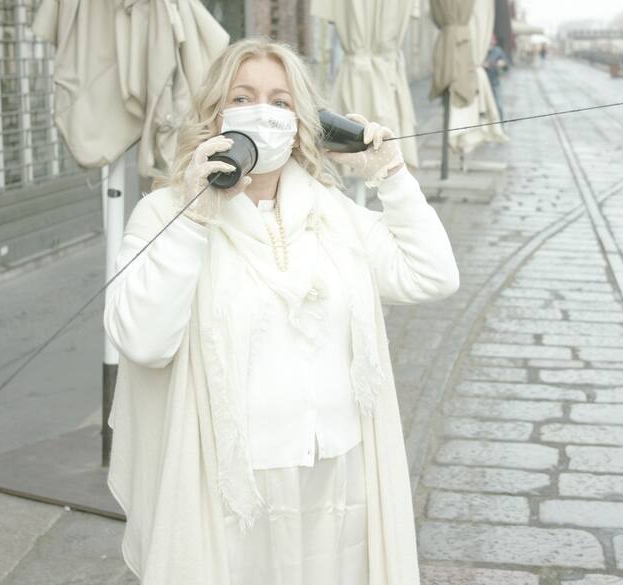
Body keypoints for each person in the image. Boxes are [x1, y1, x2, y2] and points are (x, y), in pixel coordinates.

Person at [102, 37, 459, 585]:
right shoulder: (165, 213)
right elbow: (144, 341)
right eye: (243, 96)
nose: (263, 112)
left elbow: (432, 273)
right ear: (215, 114)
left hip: (338, 486)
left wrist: (391, 175)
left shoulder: (332, 212)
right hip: (230, 495)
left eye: (281, 101)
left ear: (302, 123)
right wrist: (194, 216)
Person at [483, 36, 510, 121]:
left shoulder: (498, 51)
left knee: (498, 105)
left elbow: (506, 66)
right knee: (484, 106)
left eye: (492, 42)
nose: (491, 43)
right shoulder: (481, 51)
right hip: (483, 83)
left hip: (495, 82)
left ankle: (500, 124)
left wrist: (503, 64)